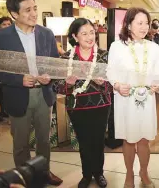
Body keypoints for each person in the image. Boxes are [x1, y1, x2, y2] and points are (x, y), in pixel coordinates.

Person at [0, 0, 63, 186]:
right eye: (27, 10)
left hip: (44, 94)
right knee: (21, 143)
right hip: (18, 95)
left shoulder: (46, 34)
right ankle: (24, 177)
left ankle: (44, 172)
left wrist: (49, 75)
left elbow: (53, 63)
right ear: (14, 14)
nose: (34, 14)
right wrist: (18, 80)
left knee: (44, 140)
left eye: (35, 8)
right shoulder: (0, 37)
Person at [106, 7, 159, 188]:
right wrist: (116, 85)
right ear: (128, 24)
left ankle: (143, 172)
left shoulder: (153, 47)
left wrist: (157, 83)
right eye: (139, 23)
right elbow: (110, 72)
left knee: (144, 140)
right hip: (126, 98)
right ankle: (129, 174)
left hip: (147, 97)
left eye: (146, 23)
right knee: (129, 140)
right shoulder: (117, 46)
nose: (144, 27)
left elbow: (158, 71)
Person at [53, 18, 112, 188]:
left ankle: (99, 173)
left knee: (98, 140)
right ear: (75, 36)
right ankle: (87, 174)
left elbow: (115, 83)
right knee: (84, 142)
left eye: (92, 32)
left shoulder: (104, 55)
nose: (89, 37)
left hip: (101, 105)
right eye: (84, 33)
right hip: (77, 107)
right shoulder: (66, 58)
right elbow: (56, 86)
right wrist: (68, 84)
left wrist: (104, 84)